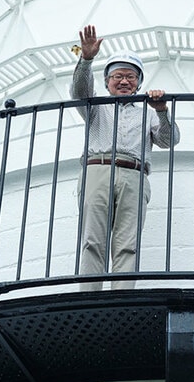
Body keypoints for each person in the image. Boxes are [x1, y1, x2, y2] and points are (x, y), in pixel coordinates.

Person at [71, 25, 180, 288]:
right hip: (98, 169)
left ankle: (120, 296)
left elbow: (169, 140)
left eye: (131, 77)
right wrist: (86, 60)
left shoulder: (150, 110)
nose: (124, 81)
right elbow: (78, 91)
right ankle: (90, 297)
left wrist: (162, 110)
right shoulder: (95, 106)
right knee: (92, 239)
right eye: (118, 76)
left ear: (139, 83)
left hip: (135, 174)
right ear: (107, 81)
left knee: (127, 243)